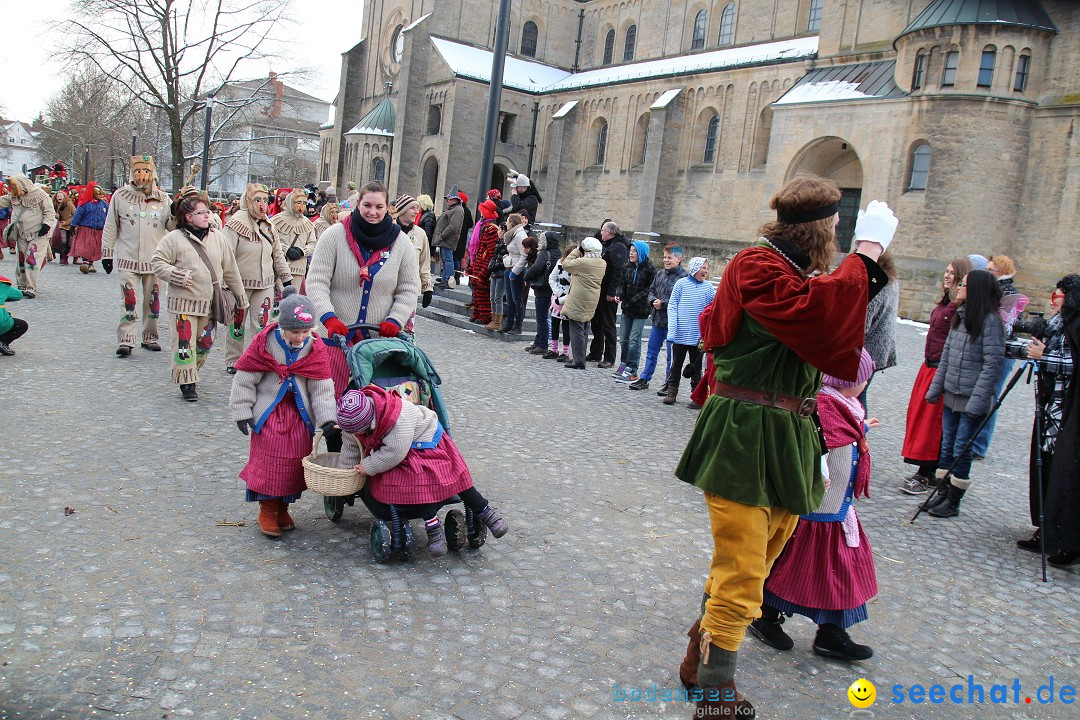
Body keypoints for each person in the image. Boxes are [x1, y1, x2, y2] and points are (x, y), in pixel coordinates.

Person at [674, 178, 895, 718]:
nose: (842, 236)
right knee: (744, 570)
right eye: (839, 227)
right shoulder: (758, 265)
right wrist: (867, 255)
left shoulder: (794, 272)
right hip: (745, 432)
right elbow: (818, 313)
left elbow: (836, 329)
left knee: (757, 562)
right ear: (823, 225)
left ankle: (695, 661)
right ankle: (714, 693)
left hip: (788, 433)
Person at [751, 350, 879, 661]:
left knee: (838, 571)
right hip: (817, 509)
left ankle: (832, 634)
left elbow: (840, 437)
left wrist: (861, 430)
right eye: (863, 379)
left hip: (837, 510)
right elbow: (816, 445)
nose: (864, 384)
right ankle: (764, 615)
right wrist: (817, 475)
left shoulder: (846, 407)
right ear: (850, 381)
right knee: (793, 570)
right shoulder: (825, 406)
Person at [336, 385, 508, 557]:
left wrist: (368, 466)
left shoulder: (397, 416)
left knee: (439, 477)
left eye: (358, 431)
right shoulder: (354, 422)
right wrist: (346, 473)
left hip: (426, 441)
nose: (355, 434)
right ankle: (433, 526)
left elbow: (394, 453)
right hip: (405, 448)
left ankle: (484, 511)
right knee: (416, 482)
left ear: (370, 422)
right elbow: (351, 444)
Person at [229, 287, 336, 537]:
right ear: (283, 327)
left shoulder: (314, 346)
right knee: (269, 461)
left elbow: (320, 385)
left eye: (305, 331)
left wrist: (327, 417)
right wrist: (242, 410)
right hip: (270, 412)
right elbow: (246, 378)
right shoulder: (265, 343)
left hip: (299, 415)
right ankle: (267, 509)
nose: (300, 337)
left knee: (293, 463)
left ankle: (284, 507)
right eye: (295, 332)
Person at [306, 181, 421, 401]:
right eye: (367, 205)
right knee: (329, 400)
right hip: (335, 337)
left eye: (379, 207)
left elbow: (408, 289)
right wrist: (328, 317)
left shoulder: (402, 243)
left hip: (378, 342)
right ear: (358, 204)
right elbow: (316, 281)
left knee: (376, 405)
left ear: (388, 208)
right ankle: (333, 436)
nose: (372, 212)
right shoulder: (334, 236)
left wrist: (395, 320)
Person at [923, 269, 1005, 518]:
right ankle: (943, 491)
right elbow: (947, 356)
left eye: (965, 285)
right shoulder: (959, 316)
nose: (959, 288)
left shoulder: (990, 322)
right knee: (947, 445)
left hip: (971, 397)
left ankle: (954, 500)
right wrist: (936, 389)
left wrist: (978, 401)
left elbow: (992, 364)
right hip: (952, 393)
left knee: (962, 447)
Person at [151, 195, 247, 401]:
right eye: (201, 213)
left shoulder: (218, 238)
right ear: (188, 217)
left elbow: (230, 270)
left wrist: (240, 298)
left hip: (209, 303)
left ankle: (191, 371)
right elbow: (157, 263)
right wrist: (176, 275)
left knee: (205, 343)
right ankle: (187, 383)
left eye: (208, 212)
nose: (207, 216)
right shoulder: (173, 238)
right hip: (183, 305)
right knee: (184, 345)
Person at [1013, 275, 1080, 566]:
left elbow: (1073, 365)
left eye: (1061, 293)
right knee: (1045, 464)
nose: (1055, 297)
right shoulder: (1057, 323)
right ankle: (1046, 528)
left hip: (1066, 409)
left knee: (1061, 470)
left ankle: (1065, 539)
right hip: (1050, 404)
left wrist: (1044, 356)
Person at [899, 257, 972, 494]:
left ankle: (928, 472)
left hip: (942, 369)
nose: (947, 275)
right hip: (929, 366)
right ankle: (925, 470)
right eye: (946, 271)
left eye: (953, 273)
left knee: (934, 423)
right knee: (921, 419)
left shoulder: (960, 308)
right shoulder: (945, 302)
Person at [101, 156, 171, 354]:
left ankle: (150, 336)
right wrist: (107, 253)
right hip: (128, 257)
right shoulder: (120, 196)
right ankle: (126, 339)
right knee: (128, 299)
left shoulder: (163, 199)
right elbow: (110, 225)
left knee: (153, 300)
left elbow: (172, 227)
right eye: (138, 171)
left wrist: (177, 213)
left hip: (155, 260)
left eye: (146, 172)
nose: (142, 176)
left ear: (152, 174)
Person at [223, 183, 293, 373]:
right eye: (257, 200)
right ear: (248, 201)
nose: (262, 205)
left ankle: (257, 358)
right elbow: (226, 254)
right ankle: (233, 359)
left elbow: (277, 255)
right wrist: (227, 283)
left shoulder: (269, 226)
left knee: (262, 323)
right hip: (240, 283)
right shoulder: (235, 223)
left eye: (265, 200)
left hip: (265, 283)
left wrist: (287, 281)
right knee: (237, 323)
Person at [972, 254, 1022, 459]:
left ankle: (979, 445)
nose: (986, 273)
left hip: (1002, 352)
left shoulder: (1010, 295)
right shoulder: (994, 290)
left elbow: (1004, 327)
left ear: (999, 272)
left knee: (990, 396)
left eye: (989, 270)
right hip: (988, 348)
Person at [629, 244, 687, 392]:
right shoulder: (660, 274)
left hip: (672, 322)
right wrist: (653, 300)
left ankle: (670, 382)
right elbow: (652, 290)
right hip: (657, 319)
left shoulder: (684, 278)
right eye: (665, 257)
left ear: (678, 259)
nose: (666, 260)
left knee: (670, 356)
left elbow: (682, 300)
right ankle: (645, 378)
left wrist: (664, 304)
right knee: (651, 352)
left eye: (670, 258)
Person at [663, 257, 715, 408]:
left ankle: (696, 395)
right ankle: (672, 392)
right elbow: (672, 306)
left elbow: (712, 309)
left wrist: (706, 333)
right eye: (703, 267)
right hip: (681, 333)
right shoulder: (681, 284)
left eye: (707, 268)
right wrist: (672, 330)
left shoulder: (708, 288)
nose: (706, 271)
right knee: (676, 364)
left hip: (698, 335)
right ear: (695, 268)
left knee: (696, 366)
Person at [0, 175, 56, 299]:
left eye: (13, 187)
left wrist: (46, 225)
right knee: (21, 259)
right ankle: (21, 285)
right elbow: (2, 201)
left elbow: (49, 212)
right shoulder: (13, 196)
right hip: (21, 233)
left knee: (31, 259)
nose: (11, 190)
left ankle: (31, 287)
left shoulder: (40, 195)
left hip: (39, 233)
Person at [859, 250, 899, 411]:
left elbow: (863, 322)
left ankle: (858, 431)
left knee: (855, 395)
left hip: (867, 351)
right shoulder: (890, 279)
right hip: (877, 350)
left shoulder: (877, 281)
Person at [587, 221, 630, 369]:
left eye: (603, 230)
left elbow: (619, 271)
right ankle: (596, 352)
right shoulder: (607, 245)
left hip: (608, 293)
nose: (601, 233)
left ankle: (609, 357)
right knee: (596, 322)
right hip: (600, 290)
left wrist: (612, 292)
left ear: (610, 232)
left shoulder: (618, 246)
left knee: (608, 324)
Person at [613, 240, 656, 383]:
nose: (631, 253)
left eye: (634, 251)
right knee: (624, 339)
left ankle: (632, 369)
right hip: (627, 309)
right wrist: (619, 294)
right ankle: (624, 364)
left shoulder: (650, 269)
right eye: (630, 250)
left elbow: (649, 289)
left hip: (641, 310)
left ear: (641, 253)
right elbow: (621, 283)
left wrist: (633, 300)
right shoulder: (627, 266)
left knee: (634, 340)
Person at [561, 237, 606, 369]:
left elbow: (566, 264)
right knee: (584, 328)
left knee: (576, 329)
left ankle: (579, 360)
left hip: (579, 299)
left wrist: (576, 250)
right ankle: (579, 357)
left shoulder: (583, 262)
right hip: (591, 298)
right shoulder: (602, 262)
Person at [391, 194, 433, 317]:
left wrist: (427, 288)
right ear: (403, 210)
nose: (416, 211)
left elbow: (424, 263)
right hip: (388, 289)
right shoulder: (389, 229)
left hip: (410, 289)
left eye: (417, 208)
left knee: (407, 330)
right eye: (412, 208)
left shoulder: (420, 234)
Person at [272, 188, 318, 289]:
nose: (302, 206)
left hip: (298, 267)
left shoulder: (308, 223)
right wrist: (286, 249)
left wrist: (302, 251)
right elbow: (271, 241)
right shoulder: (276, 220)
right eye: (299, 202)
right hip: (280, 266)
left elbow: (313, 243)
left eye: (304, 203)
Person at [525, 231, 558, 354]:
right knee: (543, 317)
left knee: (541, 318)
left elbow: (536, 267)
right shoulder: (557, 252)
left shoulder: (544, 253)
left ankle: (542, 345)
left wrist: (526, 276)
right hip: (551, 287)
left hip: (542, 287)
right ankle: (538, 342)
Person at [468, 200, 500, 325]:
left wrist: (484, 269)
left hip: (483, 263)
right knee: (477, 291)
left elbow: (491, 252)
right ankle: (477, 313)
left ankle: (485, 315)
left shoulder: (491, 230)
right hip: (479, 262)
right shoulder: (484, 227)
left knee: (483, 292)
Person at [70, 184, 109, 273]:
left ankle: (91, 263)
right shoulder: (85, 203)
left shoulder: (104, 204)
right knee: (86, 246)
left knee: (95, 247)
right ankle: (85, 262)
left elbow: (109, 215)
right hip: (86, 228)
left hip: (99, 229)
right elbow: (78, 214)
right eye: (98, 193)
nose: (100, 195)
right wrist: (73, 225)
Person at [500, 213, 528, 334]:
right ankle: (509, 324)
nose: (506, 223)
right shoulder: (513, 234)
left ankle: (518, 326)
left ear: (511, 222)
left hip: (516, 271)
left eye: (507, 221)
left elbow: (524, 255)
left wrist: (515, 271)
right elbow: (512, 252)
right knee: (510, 299)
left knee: (517, 300)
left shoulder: (520, 235)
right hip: (509, 268)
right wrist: (506, 258)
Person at [546, 242, 574, 361]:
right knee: (555, 325)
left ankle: (566, 352)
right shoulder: (559, 264)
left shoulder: (577, 268)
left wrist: (565, 297)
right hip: (557, 299)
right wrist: (558, 293)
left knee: (567, 327)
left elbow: (575, 286)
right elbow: (552, 278)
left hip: (569, 299)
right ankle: (554, 349)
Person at [433, 187, 463, 288]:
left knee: (448, 259)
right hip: (446, 239)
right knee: (446, 259)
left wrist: (442, 235)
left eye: (449, 199)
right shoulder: (454, 209)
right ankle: (446, 278)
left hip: (447, 239)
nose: (447, 201)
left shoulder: (457, 210)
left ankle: (448, 279)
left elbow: (453, 227)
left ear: (454, 200)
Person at [484, 224, 509, 332]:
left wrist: (495, 266)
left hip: (500, 273)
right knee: (492, 297)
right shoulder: (499, 242)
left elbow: (504, 260)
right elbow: (494, 257)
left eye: (499, 230)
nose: (497, 232)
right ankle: (493, 319)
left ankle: (498, 322)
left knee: (497, 298)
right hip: (495, 272)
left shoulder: (506, 244)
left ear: (503, 231)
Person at [0, 274, 27, 356]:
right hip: (1, 322)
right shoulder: (3, 284)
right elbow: (18, 295)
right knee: (22, 325)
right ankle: (3, 342)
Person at [51, 190, 76, 266]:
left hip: (70, 225)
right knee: (63, 240)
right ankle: (62, 258)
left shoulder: (69, 204)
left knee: (70, 242)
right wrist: (57, 217)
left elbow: (75, 215)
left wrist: (67, 222)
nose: (59, 198)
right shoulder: (55, 205)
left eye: (60, 196)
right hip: (62, 225)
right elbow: (59, 216)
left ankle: (67, 258)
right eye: (58, 196)